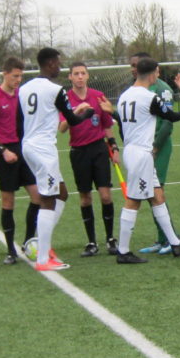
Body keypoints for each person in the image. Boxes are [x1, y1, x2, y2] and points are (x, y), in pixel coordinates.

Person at [111, 57, 180, 263]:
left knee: (157, 196)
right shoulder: (148, 97)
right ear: (154, 73)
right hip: (141, 154)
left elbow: (121, 125)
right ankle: (122, 251)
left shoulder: (124, 96)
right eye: (157, 72)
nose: (158, 75)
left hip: (133, 150)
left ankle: (175, 244)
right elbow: (172, 117)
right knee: (134, 200)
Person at [17, 47, 95, 272]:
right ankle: (43, 258)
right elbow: (71, 119)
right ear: (50, 63)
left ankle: (45, 246)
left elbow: (18, 121)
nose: (60, 67)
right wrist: (87, 114)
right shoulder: (56, 90)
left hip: (29, 146)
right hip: (44, 150)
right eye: (58, 62)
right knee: (48, 198)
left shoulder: (24, 89)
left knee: (61, 193)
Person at [0, 56, 40, 265]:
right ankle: (10, 251)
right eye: (15, 76)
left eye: (20, 76)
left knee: (37, 196)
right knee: (8, 201)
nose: (18, 80)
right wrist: (2, 149)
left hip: (24, 150)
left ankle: (28, 241)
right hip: (5, 152)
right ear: (4, 74)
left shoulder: (22, 96)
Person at [58, 61, 119, 257]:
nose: (80, 77)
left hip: (99, 150)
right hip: (78, 152)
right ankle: (91, 241)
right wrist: (75, 113)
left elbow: (107, 125)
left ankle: (110, 238)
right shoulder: (65, 99)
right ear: (70, 77)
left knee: (106, 195)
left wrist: (114, 147)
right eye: (76, 74)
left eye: (83, 73)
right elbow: (61, 128)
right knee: (85, 198)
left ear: (88, 76)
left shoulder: (97, 96)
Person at [130, 51, 180, 254]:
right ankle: (163, 239)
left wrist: (155, 147)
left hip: (158, 147)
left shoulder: (161, 89)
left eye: (136, 65)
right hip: (144, 148)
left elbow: (167, 123)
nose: (133, 69)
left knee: (157, 192)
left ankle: (169, 239)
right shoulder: (136, 90)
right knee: (151, 193)